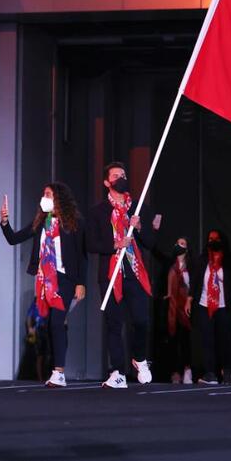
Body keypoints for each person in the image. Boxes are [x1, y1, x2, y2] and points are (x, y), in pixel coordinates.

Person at [0, 182, 86, 388]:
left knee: (57, 322)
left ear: (58, 198)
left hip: (64, 279)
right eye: (43, 194)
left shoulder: (74, 223)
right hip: (44, 280)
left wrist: (81, 283)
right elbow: (14, 238)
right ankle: (55, 368)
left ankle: (59, 372)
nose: (44, 198)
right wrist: (5, 222)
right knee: (48, 325)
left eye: (48, 194)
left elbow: (82, 256)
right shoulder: (41, 222)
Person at [86, 162, 160, 388]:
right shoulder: (98, 211)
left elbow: (150, 243)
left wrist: (139, 228)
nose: (121, 178)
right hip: (110, 274)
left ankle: (139, 359)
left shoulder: (138, 208)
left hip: (134, 272)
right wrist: (116, 243)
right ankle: (117, 371)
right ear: (107, 182)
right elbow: (91, 243)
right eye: (116, 175)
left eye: (123, 174)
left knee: (141, 320)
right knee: (114, 324)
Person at [186, 229, 231, 384]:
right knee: (207, 340)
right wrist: (190, 298)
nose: (213, 241)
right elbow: (195, 280)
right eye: (210, 238)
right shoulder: (202, 259)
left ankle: (228, 371)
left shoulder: (230, 260)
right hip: (204, 304)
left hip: (224, 305)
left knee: (225, 340)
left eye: (216, 238)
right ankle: (210, 373)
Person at [165, 237, 193, 384]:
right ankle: (175, 372)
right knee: (173, 340)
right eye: (177, 243)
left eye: (183, 244)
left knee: (186, 340)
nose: (179, 246)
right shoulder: (171, 266)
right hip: (174, 308)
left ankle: (187, 369)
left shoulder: (191, 266)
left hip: (187, 308)